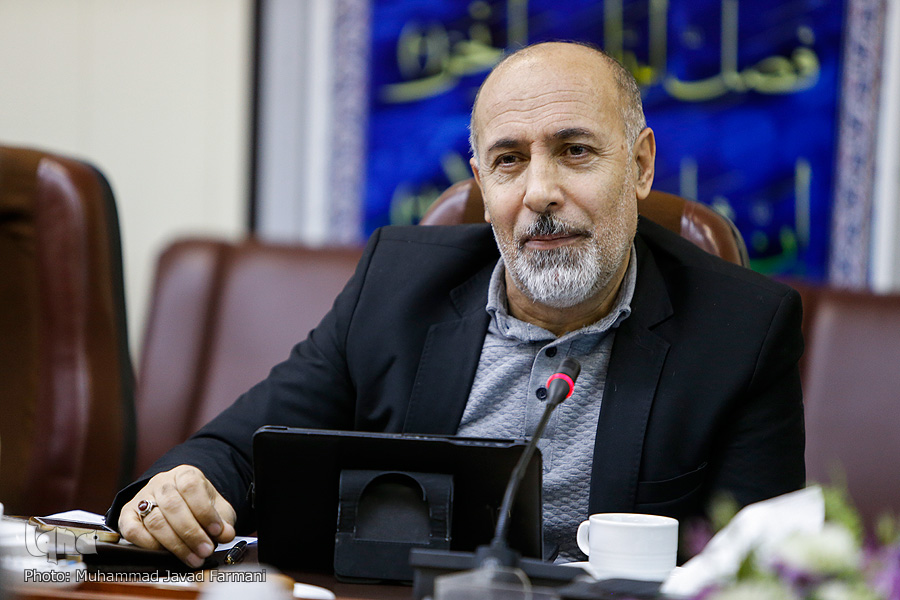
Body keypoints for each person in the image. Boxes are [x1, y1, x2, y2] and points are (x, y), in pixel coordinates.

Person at [108, 41, 805, 566]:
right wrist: (183, 488)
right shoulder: (396, 285)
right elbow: (241, 447)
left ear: (641, 165)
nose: (539, 192)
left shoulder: (743, 330)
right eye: (509, 161)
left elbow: (763, 572)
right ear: (481, 182)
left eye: (575, 151)